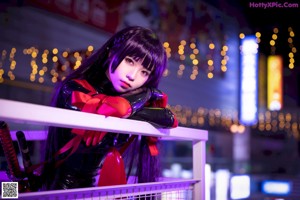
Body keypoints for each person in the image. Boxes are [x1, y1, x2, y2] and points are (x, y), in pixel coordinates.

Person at [40, 26, 178, 190]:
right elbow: (117, 109)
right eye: (129, 61)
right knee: (5, 191)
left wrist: (142, 96)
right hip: (54, 190)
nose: (132, 76)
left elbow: (169, 118)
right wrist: (147, 93)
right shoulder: (74, 90)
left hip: (91, 191)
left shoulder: (130, 104)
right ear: (112, 53)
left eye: (144, 72)